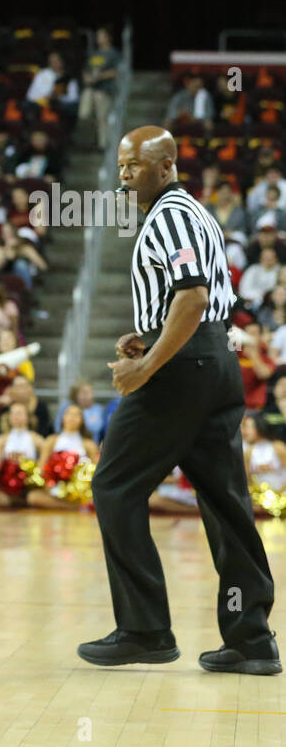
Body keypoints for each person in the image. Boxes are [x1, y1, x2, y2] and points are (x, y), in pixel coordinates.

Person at [79, 125, 278, 675]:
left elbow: (191, 295)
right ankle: (252, 639)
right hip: (215, 363)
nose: (123, 178)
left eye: (133, 167)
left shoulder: (168, 216)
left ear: (165, 166)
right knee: (225, 502)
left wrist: (147, 365)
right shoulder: (196, 212)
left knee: (114, 485)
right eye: (120, 167)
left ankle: (145, 629)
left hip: (183, 373)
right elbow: (194, 304)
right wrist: (146, 334)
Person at [25, 404, 99, 510]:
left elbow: (96, 472)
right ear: (63, 418)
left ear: (82, 420)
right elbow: (41, 468)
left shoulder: (88, 444)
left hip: (78, 491)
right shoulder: (52, 440)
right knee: (33, 497)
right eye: (69, 414)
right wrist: (49, 485)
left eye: (76, 415)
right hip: (54, 489)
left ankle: (74, 504)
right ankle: (74, 507)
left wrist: (81, 486)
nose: (72, 418)